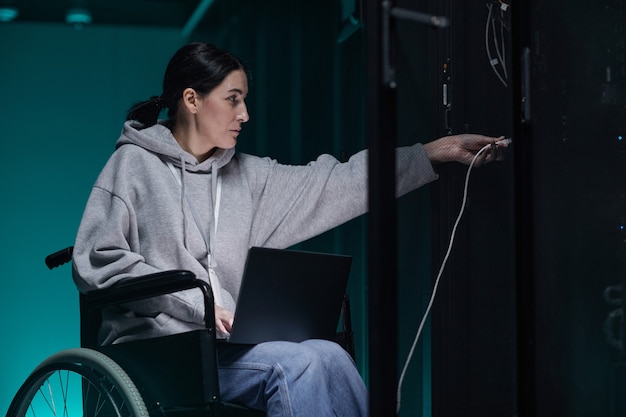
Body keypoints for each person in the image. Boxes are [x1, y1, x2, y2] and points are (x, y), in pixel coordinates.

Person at [71, 42, 508, 416]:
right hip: (159, 350)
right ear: (191, 99)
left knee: (329, 355)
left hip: (226, 348)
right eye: (233, 98)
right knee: (296, 365)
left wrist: (431, 154)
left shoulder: (249, 177)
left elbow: (338, 182)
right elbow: (99, 262)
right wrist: (198, 304)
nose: (245, 113)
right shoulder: (133, 166)